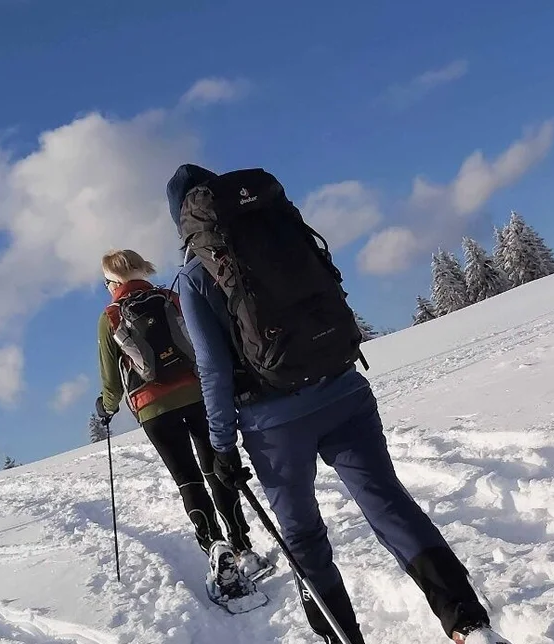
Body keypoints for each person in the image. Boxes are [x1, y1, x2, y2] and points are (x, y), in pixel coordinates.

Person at [164, 164, 509, 644]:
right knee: (389, 505)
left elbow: (213, 370)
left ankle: (341, 638)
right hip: (345, 390)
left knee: (303, 536)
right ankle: (469, 624)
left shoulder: (193, 279)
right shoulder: (276, 229)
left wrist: (222, 446)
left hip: (275, 425)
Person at [94, 249, 271, 598]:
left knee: (187, 479)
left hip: (153, 409)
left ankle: (216, 548)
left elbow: (111, 382)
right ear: (142, 269)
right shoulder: (170, 296)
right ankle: (242, 546)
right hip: (198, 393)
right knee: (217, 468)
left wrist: (107, 407)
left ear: (112, 282)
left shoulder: (111, 315)